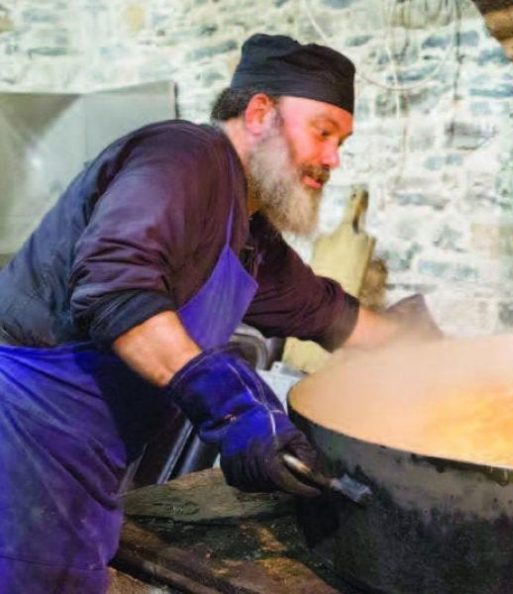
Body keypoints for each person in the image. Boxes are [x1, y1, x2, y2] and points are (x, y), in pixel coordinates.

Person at [0, 33, 427, 592]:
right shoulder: (182, 156)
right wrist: (232, 407)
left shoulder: (249, 234)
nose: (333, 159)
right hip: (22, 436)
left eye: (341, 141)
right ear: (260, 113)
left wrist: (438, 359)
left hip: (86, 458)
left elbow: (326, 313)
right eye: (322, 132)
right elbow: (114, 289)